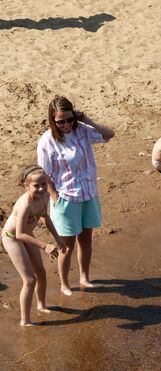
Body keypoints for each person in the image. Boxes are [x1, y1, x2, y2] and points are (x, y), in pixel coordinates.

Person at [37, 96, 115, 296]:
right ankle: (64, 284)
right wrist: (55, 198)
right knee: (66, 246)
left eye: (70, 119)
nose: (66, 125)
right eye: (60, 121)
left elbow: (109, 134)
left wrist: (86, 119)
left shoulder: (82, 129)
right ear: (52, 120)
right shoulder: (47, 140)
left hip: (89, 194)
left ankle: (84, 277)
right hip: (66, 198)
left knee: (86, 240)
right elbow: (44, 173)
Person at [1, 166, 67, 325]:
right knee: (29, 279)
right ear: (26, 185)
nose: (41, 188)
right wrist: (45, 246)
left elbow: (46, 218)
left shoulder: (45, 197)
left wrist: (58, 239)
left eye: (44, 184)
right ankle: (25, 321)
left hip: (27, 234)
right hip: (12, 238)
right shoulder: (25, 204)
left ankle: (41, 305)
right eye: (36, 185)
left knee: (41, 273)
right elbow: (19, 234)